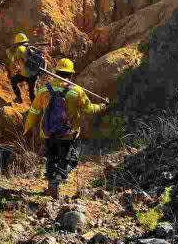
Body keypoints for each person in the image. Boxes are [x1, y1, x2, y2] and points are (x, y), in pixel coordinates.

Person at [23, 58, 107, 199]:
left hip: (48, 133)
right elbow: (89, 109)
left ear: (56, 72)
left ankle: (51, 184)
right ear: (71, 74)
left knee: (51, 159)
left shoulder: (44, 90)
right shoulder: (76, 91)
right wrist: (103, 106)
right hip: (68, 134)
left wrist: (27, 128)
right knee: (69, 161)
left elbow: (34, 112)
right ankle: (56, 182)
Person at [6, 32, 38, 103]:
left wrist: (8, 52)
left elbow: (13, 59)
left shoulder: (20, 48)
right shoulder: (31, 48)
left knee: (13, 81)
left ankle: (19, 98)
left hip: (25, 74)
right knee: (32, 93)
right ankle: (36, 110)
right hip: (33, 75)